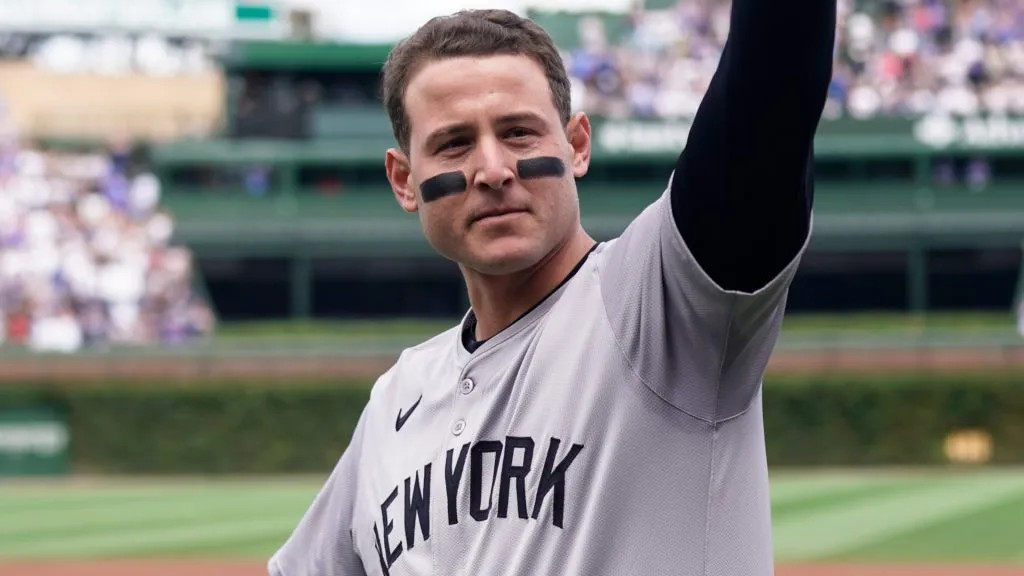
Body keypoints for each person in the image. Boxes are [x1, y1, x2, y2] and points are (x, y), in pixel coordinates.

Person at [270, 4, 835, 575]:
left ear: (577, 145)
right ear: (403, 180)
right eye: (454, 144)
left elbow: (771, 87)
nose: (492, 169)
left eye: (518, 132)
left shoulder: (661, 303)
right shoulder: (396, 399)